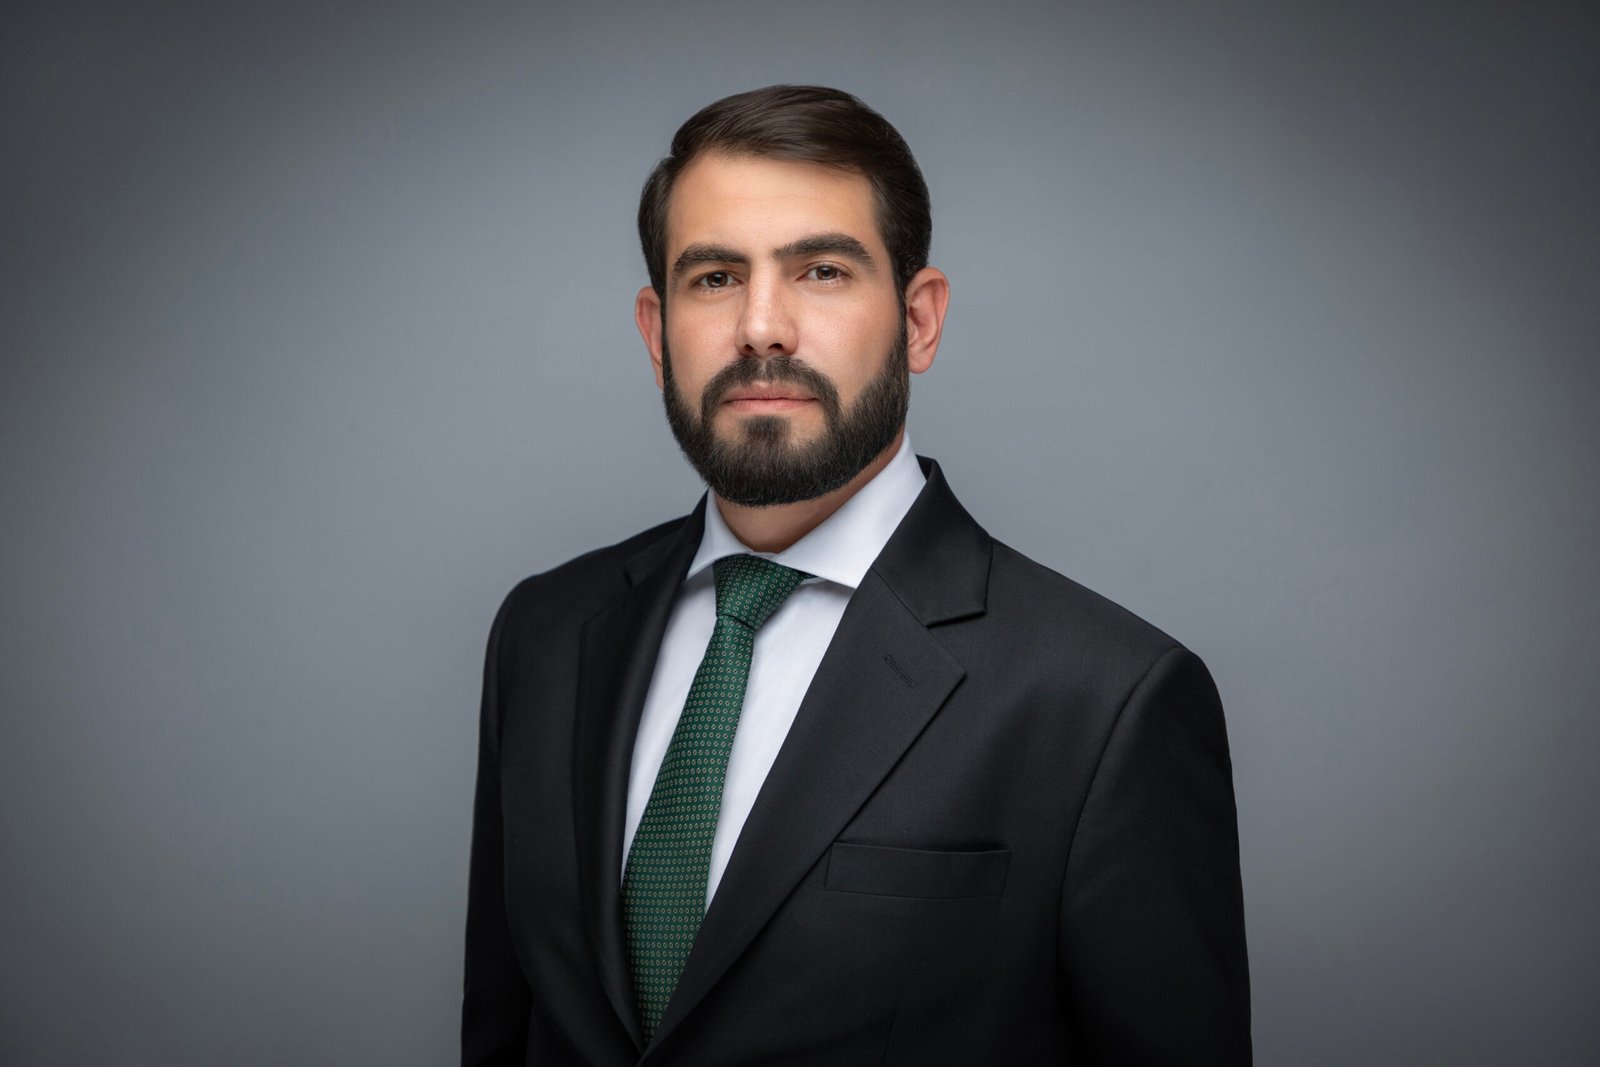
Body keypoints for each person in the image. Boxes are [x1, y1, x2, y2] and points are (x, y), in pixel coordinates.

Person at [462, 84, 1250, 1065]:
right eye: (715, 276)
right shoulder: (545, 634)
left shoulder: (1104, 701)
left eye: (822, 271)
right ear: (656, 332)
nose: (761, 327)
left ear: (918, 320)